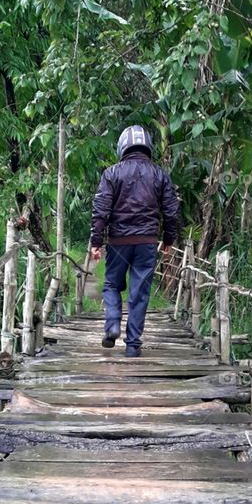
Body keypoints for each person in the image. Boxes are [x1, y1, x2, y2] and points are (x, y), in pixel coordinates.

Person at [89, 125, 180, 356]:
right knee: (139, 293)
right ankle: (132, 347)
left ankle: (112, 324)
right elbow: (171, 210)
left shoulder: (111, 173)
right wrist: (169, 239)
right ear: (147, 146)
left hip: (118, 242)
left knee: (111, 284)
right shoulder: (159, 174)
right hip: (147, 242)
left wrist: (96, 242)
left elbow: (101, 210)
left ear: (122, 146)